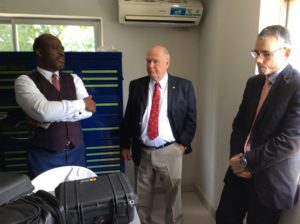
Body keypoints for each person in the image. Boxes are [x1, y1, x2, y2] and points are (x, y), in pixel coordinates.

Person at [216, 25, 300, 224]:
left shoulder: (296, 86)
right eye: (256, 52)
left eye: (266, 54)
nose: (258, 59)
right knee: (224, 218)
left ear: (286, 52)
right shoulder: (253, 83)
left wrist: (247, 161)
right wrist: (236, 157)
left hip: (271, 179)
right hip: (238, 173)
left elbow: (290, 140)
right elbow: (239, 125)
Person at [120, 45, 197, 224]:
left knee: (173, 196)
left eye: (156, 61)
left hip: (170, 150)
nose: (151, 65)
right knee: (142, 196)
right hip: (143, 150)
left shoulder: (184, 86)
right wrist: (125, 144)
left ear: (167, 63)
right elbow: (129, 117)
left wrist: (182, 145)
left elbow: (191, 119)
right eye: (148, 61)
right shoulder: (137, 85)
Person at [14, 33, 96, 178]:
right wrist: (82, 103)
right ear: (39, 52)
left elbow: (89, 111)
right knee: (45, 198)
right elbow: (44, 111)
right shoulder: (25, 81)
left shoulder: (73, 78)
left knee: (78, 196)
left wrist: (48, 118)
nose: (61, 52)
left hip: (76, 151)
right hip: (44, 156)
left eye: (62, 48)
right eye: (55, 47)